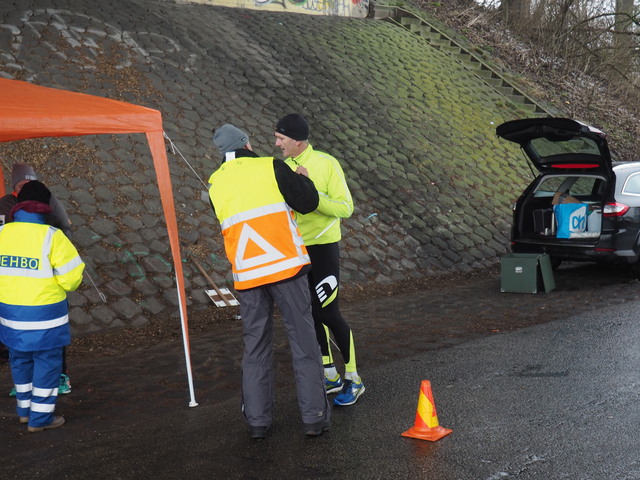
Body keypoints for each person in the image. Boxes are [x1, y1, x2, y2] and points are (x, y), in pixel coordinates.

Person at [208, 124, 331, 439]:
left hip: (248, 277)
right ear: (246, 144)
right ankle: (314, 417)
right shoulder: (271, 166)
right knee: (303, 342)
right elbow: (308, 202)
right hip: (286, 269)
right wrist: (303, 179)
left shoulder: (215, 183)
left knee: (255, 347)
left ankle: (258, 423)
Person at [274, 113, 365, 406]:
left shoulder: (326, 164)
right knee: (310, 312)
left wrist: (311, 194)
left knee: (328, 313)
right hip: (297, 250)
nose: (276, 144)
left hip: (324, 248)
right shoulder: (281, 168)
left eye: (281, 139)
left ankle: (353, 378)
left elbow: (346, 207)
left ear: (298, 141)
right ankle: (330, 374)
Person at [0, 180, 84, 432]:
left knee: (20, 360)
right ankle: (41, 418)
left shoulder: (3, 233)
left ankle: (25, 412)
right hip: (45, 316)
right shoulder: (53, 237)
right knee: (47, 364)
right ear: (45, 206)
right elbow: (71, 279)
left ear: (19, 205)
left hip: (10, 315)